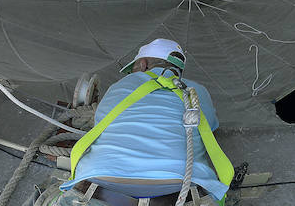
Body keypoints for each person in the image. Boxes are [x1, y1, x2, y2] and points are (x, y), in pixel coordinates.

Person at [61, 39, 232, 203]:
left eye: (134, 68)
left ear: (143, 64)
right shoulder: (197, 92)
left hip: (100, 177)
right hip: (178, 184)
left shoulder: (119, 86)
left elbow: (100, 126)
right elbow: (210, 129)